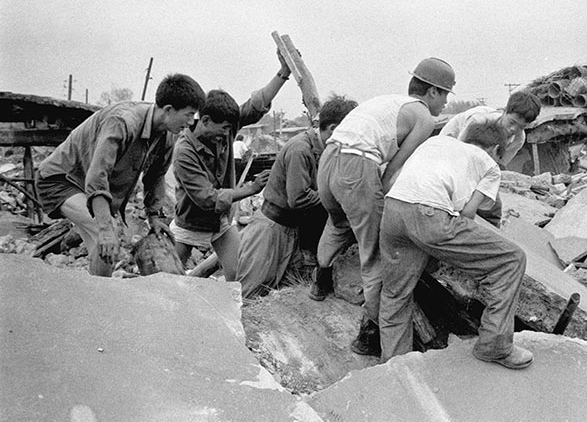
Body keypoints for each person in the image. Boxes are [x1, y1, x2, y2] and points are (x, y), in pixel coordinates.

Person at [310, 57, 455, 357]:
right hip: (356, 165)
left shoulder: (388, 102)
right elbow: (393, 170)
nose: (445, 103)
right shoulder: (424, 118)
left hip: (329, 160)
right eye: (445, 95)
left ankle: (319, 283)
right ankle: (369, 334)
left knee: (338, 223)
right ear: (432, 92)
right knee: (375, 253)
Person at [379, 120, 531, 369]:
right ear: (495, 149)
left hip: (393, 210)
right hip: (429, 216)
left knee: (395, 293)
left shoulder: (436, 142)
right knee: (512, 259)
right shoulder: (489, 165)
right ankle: (494, 345)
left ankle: (394, 368)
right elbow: (468, 214)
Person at [36, 73, 205, 276]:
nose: (191, 121)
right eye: (189, 114)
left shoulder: (167, 136)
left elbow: (156, 176)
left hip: (86, 186)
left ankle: (96, 290)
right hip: (60, 181)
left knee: (102, 250)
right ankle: (102, 292)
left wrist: (154, 217)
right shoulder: (122, 122)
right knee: (108, 233)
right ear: (168, 110)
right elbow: (98, 175)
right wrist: (105, 227)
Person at [170, 52, 293, 281]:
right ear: (205, 121)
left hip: (221, 222)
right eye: (225, 128)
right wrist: (251, 189)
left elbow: (256, 106)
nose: (229, 133)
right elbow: (207, 198)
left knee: (237, 275)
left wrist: (283, 73)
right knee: (170, 279)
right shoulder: (184, 151)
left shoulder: (223, 127)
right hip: (190, 222)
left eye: (230, 128)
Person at [236, 95, 358, 299]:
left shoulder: (325, 150)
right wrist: (335, 197)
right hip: (271, 230)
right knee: (250, 293)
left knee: (282, 289)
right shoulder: (300, 149)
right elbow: (298, 198)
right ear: (333, 128)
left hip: (291, 230)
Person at [439, 90, 541, 224]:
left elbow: (496, 165)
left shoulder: (518, 139)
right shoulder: (478, 120)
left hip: (479, 165)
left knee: (493, 206)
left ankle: (491, 230)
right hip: (449, 151)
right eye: (512, 122)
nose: (514, 129)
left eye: (521, 127)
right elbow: (461, 153)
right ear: (505, 111)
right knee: (456, 195)